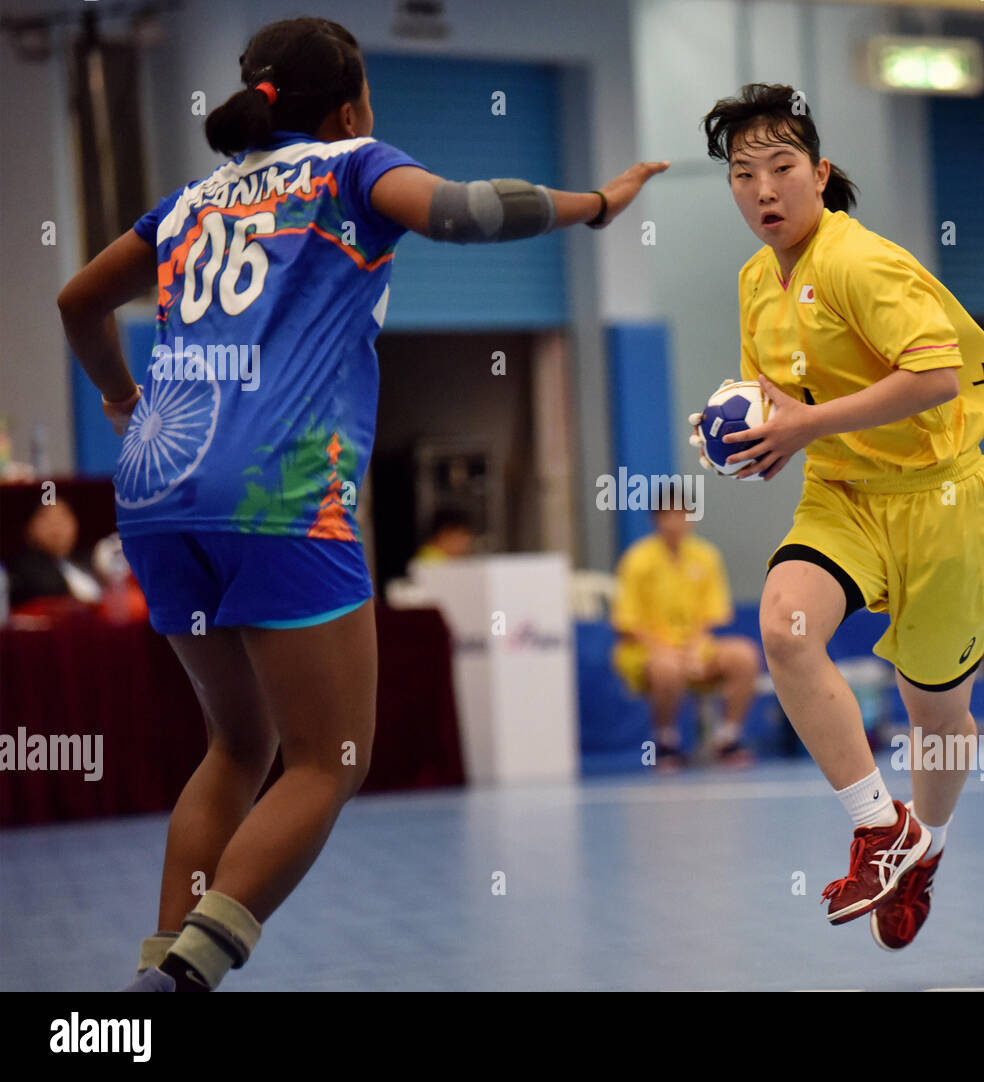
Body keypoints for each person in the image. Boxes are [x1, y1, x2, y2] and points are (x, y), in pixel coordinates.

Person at [56, 15, 666, 992]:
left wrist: (124, 403)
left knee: (236, 743)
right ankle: (172, 986)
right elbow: (465, 209)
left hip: (158, 489)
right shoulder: (347, 168)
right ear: (348, 107)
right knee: (328, 757)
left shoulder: (186, 204)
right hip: (280, 483)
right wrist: (597, 202)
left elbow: (75, 301)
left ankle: (150, 992)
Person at [691, 84, 984, 951]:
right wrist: (754, 432)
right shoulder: (755, 282)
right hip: (841, 491)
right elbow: (779, 396)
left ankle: (929, 849)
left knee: (934, 714)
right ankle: (880, 828)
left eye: (782, 168)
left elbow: (936, 378)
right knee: (786, 630)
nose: (763, 190)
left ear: (820, 173)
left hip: (942, 501)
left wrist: (803, 424)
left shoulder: (860, 262)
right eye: (742, 173)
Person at [610, 500, 760, 769]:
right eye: (670, 516)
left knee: (744, 655)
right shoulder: (637, 560)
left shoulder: (706, 556)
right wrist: (665, 649)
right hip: (647, 651)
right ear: (657, 520)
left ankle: (728, 739)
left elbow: (713, 614)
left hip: (696, 648)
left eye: (683, 516)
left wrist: (693, 647)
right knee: (668, 668)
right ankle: (666, 742)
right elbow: (626, 623)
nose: (678, 523)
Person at [6, 502, 102, 611]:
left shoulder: (85, 562)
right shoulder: (25, 568)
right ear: (29, 527)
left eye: (63, 516)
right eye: (46, 518)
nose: (56, 526)